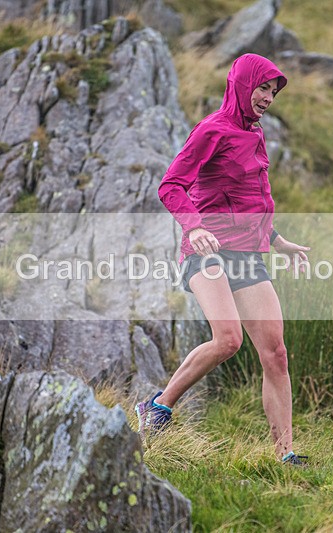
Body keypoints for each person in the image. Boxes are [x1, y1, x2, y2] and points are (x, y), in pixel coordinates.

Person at [135, 53, 311, 466]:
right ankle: (157, 407)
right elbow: (171, 185)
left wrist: (277, 240)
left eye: (273, 91)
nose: (268, 98)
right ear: (242, 84)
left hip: (247, 254)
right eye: (262, 88)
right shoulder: (211, 129)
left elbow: (249, 200)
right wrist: (194, 227)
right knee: (228, 340)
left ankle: (285, 455)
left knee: (276, 353)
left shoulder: (256, 133)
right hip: (207, 250)